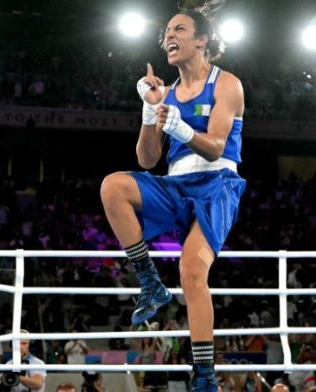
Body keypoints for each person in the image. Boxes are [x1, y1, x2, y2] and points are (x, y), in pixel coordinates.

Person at [99, 2, 245, 391]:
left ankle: (204, 376)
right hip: (175, 185)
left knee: (192, 273)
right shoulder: (167, 91)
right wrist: (150, 111)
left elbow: (215, 147)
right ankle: (149, 282)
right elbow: (147, 160)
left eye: (179, 29)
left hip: (217, 185)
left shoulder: (226, 83)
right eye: (167, 31)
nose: (169, 36)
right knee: (113, 185)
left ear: (202, 40)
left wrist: (179, 127)